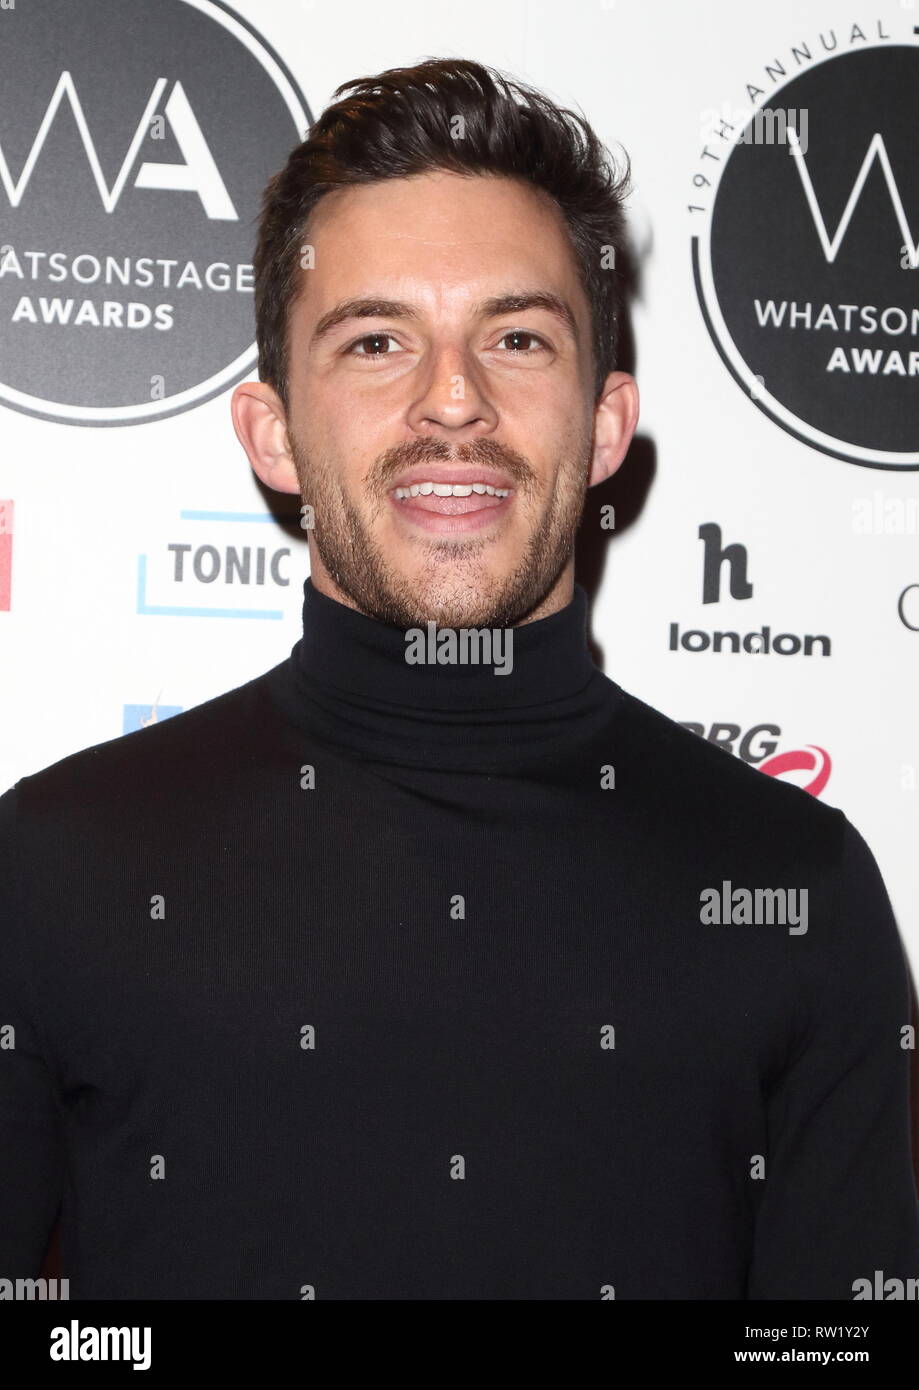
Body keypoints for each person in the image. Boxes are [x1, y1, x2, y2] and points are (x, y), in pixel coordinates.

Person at [1, 57, 917, 1301]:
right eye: (377, 340)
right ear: (273, 433)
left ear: (602, 425)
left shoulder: (795, 888)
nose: (453, 402)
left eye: (517, 338)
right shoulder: (53, 867)